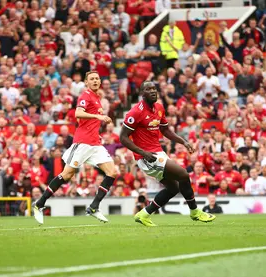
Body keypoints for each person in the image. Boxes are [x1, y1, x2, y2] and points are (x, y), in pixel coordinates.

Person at [120, 81, 216, 226]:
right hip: (147, 156)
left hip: (158, 152)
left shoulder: (159, 107)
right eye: (148, 89)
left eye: (154, 88)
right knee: (183, 174)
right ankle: (195, 212)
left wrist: (183, 142)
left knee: (173, 188)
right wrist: (143, 152)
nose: (153, 91)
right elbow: (123, 137)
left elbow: (165, 130)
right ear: (142, 94)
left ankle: (144, 214)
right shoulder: (135, 112)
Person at [34, 71, 118, 224]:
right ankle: (39, 204)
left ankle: (93, 207)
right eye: (92, 78)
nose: (95, 81)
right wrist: (98, 116)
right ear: (86, 82)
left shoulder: (97, 98)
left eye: (97, 78)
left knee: (112, 172)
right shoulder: (85, 95)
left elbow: (90, 123)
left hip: (95, 143)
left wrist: (96, 132)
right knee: (66, 175)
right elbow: (79, 113)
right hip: (82, 142)